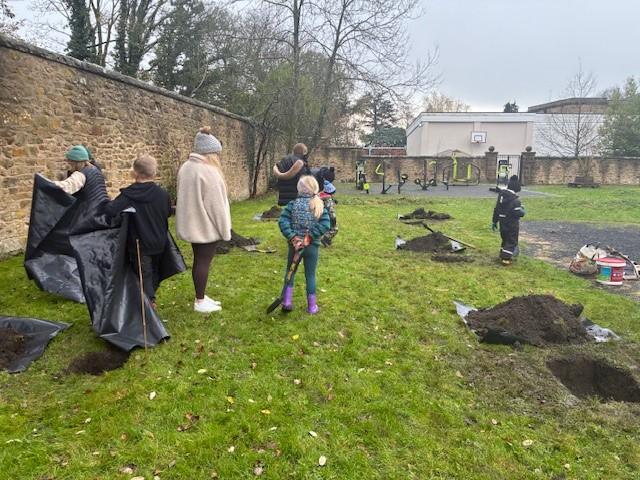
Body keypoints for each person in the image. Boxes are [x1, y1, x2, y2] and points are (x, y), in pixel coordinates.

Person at [104, 154, 172, 308]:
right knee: (152, 272)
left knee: (143, 274)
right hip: (159, 240)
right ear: (154, 172)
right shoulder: (163, 194)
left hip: (139, 243)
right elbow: (168, 212)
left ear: (135, 173)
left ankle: (148, 305)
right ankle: (148, 300)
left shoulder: (129, 195)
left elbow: (110, 210)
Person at [176, 126, 232, 313]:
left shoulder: (186, 167)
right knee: (203, 262)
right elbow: (217, 206)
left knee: (199, 260)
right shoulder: (209, 171)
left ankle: (200, 296)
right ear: (211, 153)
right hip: (206, 226)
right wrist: (225, 230)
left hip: (192, 224)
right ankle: (200, 301)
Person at [278, 175, 331, 314]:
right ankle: (312, 307)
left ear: (299, 189)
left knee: (290, 272)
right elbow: (326, 224)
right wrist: (310, 237)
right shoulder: (319, 205)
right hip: (311, 248)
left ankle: (287, 302)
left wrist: (293, 237)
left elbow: (283, 221)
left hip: (295, 248)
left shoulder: (292, 205)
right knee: (310, 276)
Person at [492, 175, 525, 265]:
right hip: (512, 223)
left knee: (505, 239)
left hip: (502, 222)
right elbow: (518, 213)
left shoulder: (501, 196)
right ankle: (505, 258)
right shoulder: (515, 200)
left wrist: (494, 221)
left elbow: (497, 208)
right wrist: (522, 211)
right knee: (511, 240)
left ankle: (502, 253)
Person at [319, 179, 338, 247]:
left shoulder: (319, 196)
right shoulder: (328, 199)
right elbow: (330, 209)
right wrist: (333, 218)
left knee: (323, 227)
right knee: (334, 229)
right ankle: (326, 239)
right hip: (328, 216)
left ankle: (327, 240)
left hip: (320, 215)